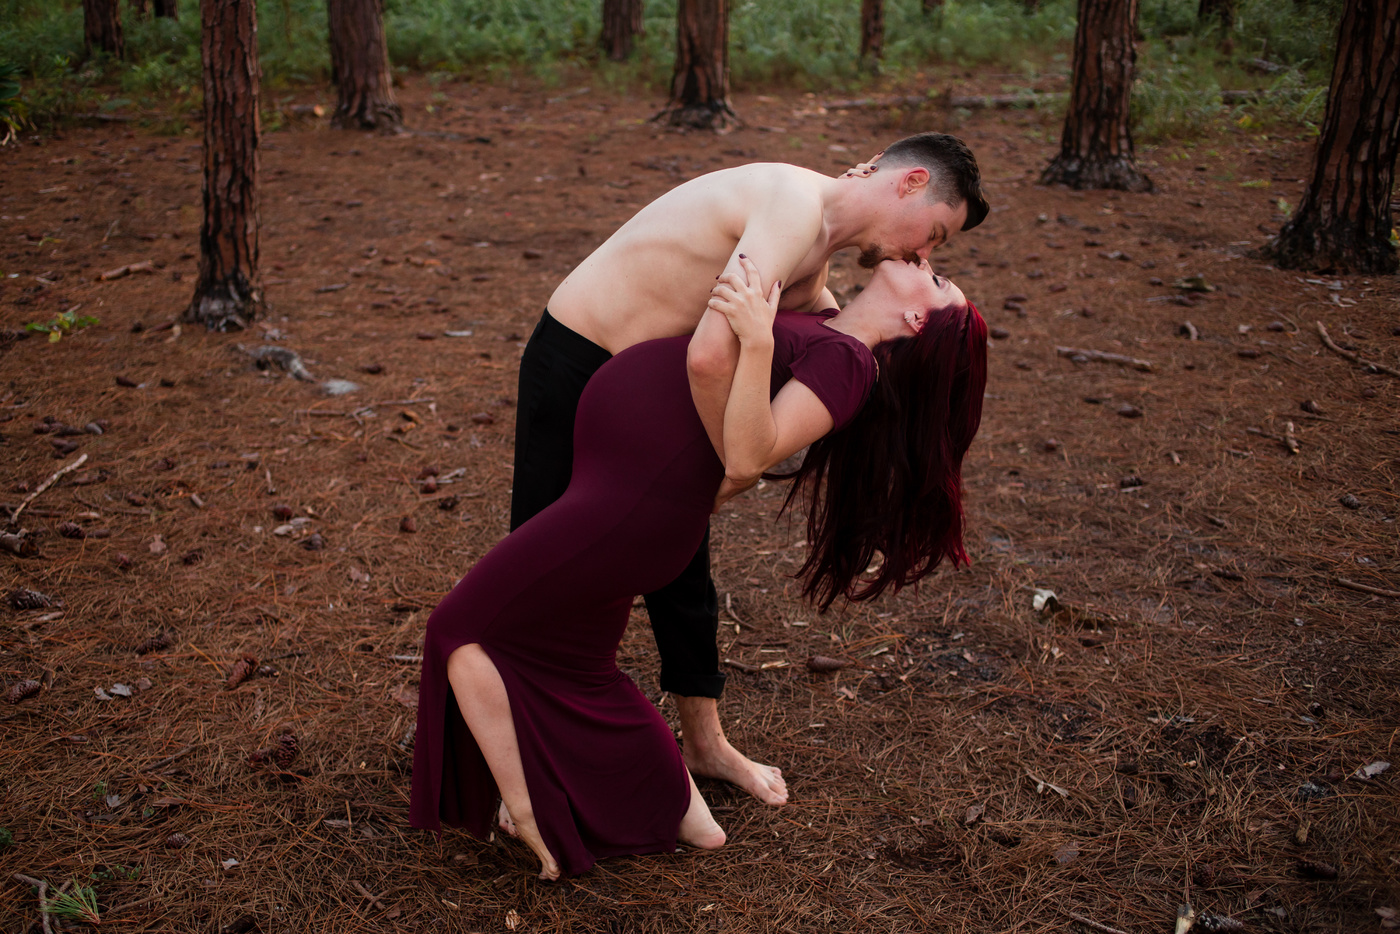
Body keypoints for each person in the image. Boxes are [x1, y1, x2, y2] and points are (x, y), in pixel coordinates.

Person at [409, 255, 988, 879]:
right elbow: (819, 240)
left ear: (916, 319)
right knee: (578, 665)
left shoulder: (850, 365)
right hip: (622, 501)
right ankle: (686, 814)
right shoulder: (831, 321)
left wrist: (758, 341)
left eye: (936, 280)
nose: (925, 259)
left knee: (459, 630)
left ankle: (531, 812)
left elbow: (751, 453)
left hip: (627, 512)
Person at [507, 133, 988, 810]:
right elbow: (710, 357)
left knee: (682, 572)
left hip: (641, 403)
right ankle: (519, 760)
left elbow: (828, 347)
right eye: (934, 233)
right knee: (541, 566)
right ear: (910, 182)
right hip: (579, 363)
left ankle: (704, 743)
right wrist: (724, 475)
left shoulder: (815, 264)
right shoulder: (792, 205)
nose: (922, 254)